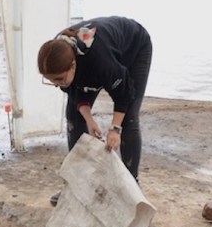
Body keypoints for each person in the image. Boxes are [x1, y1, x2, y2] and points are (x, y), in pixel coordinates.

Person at [37, 16, 152, 182]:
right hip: (95, 58)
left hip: (134, 47)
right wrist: (89, 120)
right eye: (51, 80)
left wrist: (115, 128)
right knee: (74, 116)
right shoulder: (55, 56)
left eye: (59, 80)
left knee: (129, 118)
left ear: (73, 65)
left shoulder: (100, 61)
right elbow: (75, 92)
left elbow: (124, 94)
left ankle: (132, 184)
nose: (56, 85)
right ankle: (78, 183)